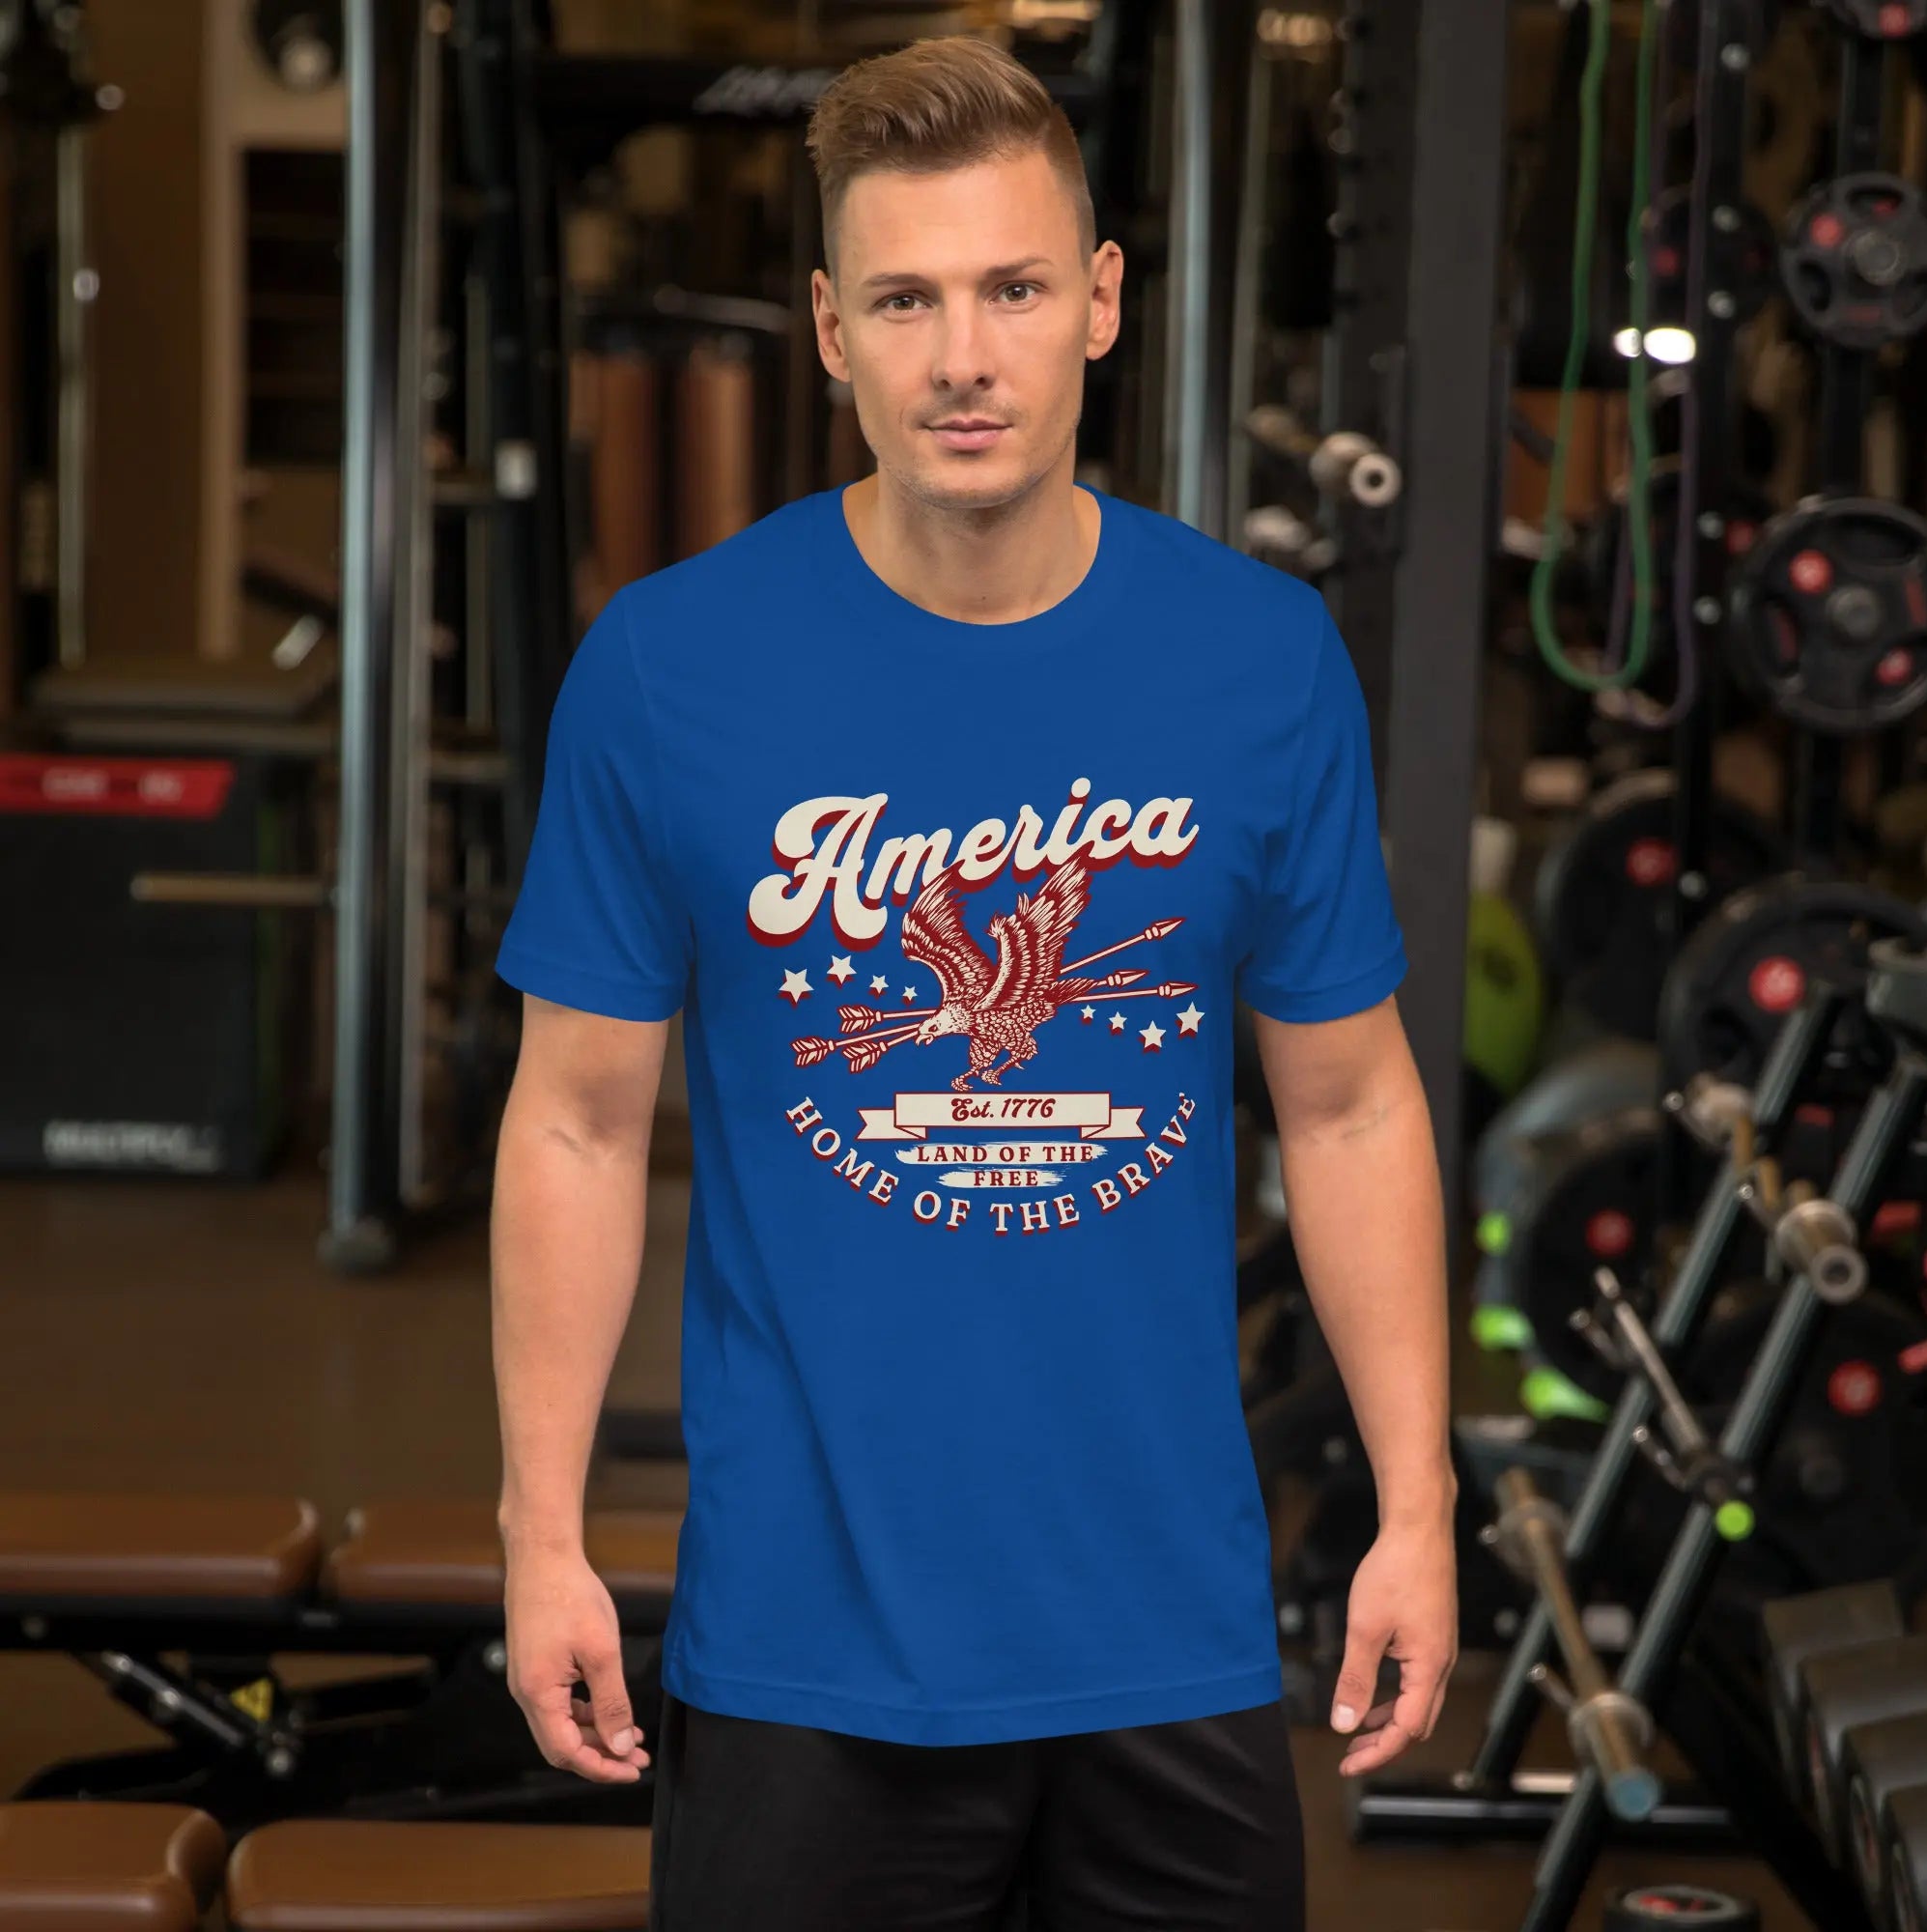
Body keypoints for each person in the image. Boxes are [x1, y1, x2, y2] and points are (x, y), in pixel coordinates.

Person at [490, 32, 1454, 1932]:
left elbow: (1350, 1101)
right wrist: (541, 1534)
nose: (962, 357)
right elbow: (579, 1122)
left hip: (1165, 1639)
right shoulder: (670, 668)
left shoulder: (1258, 662)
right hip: (803, 1647)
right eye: (908, 299)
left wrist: (1414, 1512)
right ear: (831, 329)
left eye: (1013, 288)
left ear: (1097, 304)